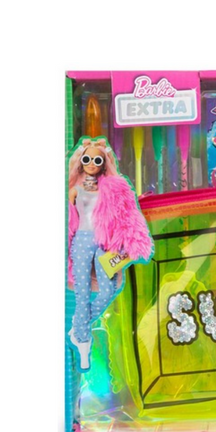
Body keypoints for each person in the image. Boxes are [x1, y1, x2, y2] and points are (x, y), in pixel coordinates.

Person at [67, 137, 152, 371]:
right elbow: (70, 220)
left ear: (104, 163)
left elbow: (125, 214)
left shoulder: (111, 189)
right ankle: (83, 348)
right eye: (87, 159)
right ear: (80, 161)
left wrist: (126, 240)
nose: (91, 164)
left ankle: (78, 327)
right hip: (81, 241)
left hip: (104, 244)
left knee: (107, 290)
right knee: (82, 295)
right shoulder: (74, 190)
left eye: (97, 160)